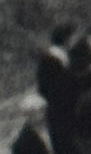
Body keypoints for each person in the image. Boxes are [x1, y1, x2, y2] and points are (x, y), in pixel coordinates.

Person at [37, 25, 77, 154]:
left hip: (61, 112)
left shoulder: (61, 58)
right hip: (59, 112)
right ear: (66, 39)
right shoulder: (51, 60)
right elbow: (50, 89)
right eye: (72, 38)